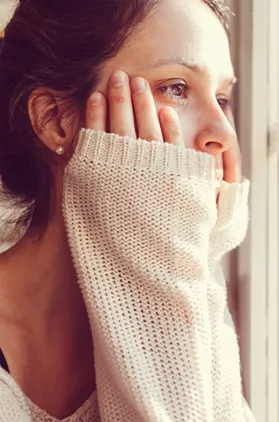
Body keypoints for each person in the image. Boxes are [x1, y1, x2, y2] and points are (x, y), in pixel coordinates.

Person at [0, 0, 254, 420]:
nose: (223, 135)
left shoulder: (192, 305)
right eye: (176, 87)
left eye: (223, 98)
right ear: (55, 120)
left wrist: (187, 261)